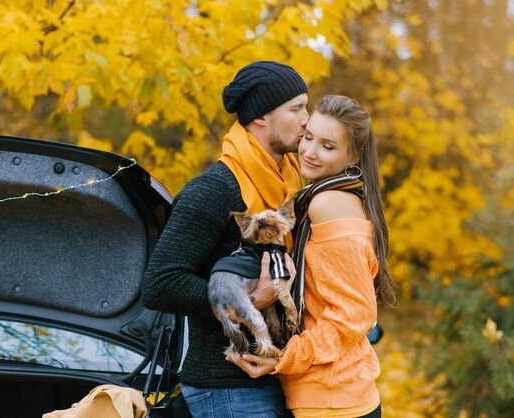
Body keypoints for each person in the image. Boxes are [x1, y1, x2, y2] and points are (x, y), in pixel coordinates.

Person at [142, 61, 309, 418]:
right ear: (261, 117)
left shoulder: (292, 186)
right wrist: (249, 299)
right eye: (296, 109)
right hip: (227, 387)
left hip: (276, 377)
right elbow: (160, 284)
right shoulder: (215, 189)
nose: (307, 119)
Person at [230, 95, 397, 418]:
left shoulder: (327, 204)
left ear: (354, 155)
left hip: (333, 401)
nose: (309, 151)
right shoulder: (332, 195)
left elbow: (353, 314)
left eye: (328, 146)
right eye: (309, 137)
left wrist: (284, 358)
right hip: (333, 396)